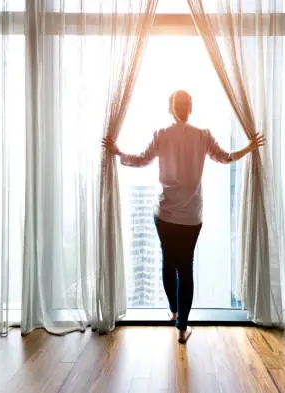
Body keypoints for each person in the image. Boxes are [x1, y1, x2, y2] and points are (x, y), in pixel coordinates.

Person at [102, 90, 265, 343]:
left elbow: (141, 160)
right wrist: (250, 147)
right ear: (190, 108)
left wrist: (118, 152)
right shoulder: (202, 136)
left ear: (170, 108)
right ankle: (181, 328)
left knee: (168, 262)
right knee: (185, 268)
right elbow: (226, 157)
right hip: (191, 216)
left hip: (165, 213)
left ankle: (174, 310)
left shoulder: (162, 134)